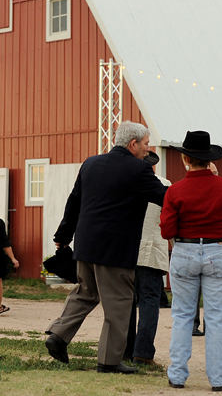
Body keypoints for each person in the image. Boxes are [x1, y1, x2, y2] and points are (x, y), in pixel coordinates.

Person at [45, 121, 167, 375]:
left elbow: (74, 201)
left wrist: (63, 235)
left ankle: (57, 335)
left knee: (85, 293)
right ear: (133, 144)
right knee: (119, 303)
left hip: (86, 245)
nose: (148, 150)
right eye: (145, 145)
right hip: (116, 250)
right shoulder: (139, 170)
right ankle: (109, 361)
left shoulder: (90, 163)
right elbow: (166, 198)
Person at [160, 130, 222, 391]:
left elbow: (167, 231)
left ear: (186, 159)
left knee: (183, 315)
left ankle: (177, 376)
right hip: (217, 249)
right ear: (210, 159)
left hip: (185, 250)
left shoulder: (175, 190)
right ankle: (218, 380)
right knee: (217, 317)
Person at [125, 151, 171, 366]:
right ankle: (142, 352)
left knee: (125, 301)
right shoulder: (163, 184)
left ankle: (125, 348)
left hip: (126, 249)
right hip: (152, 249)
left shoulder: (122, 182)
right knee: (149, 300)